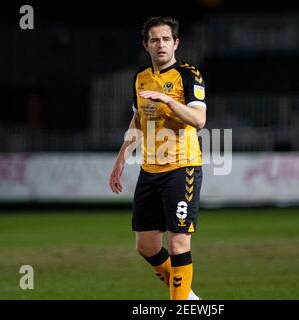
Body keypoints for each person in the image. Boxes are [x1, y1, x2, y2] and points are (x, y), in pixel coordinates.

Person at [109, 16, 206, 300]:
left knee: (178, 244)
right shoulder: (140, 77)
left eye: (166, 39)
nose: (160, 44)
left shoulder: (189, 75)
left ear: (176, 43)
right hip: (150, 170)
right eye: (154, 39)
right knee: (146, 245)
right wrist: (120, 159)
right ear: (146, 45)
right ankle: (188, 297)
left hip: (182, 167)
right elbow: (138, 120)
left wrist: (170, 102)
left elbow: (199, 120)